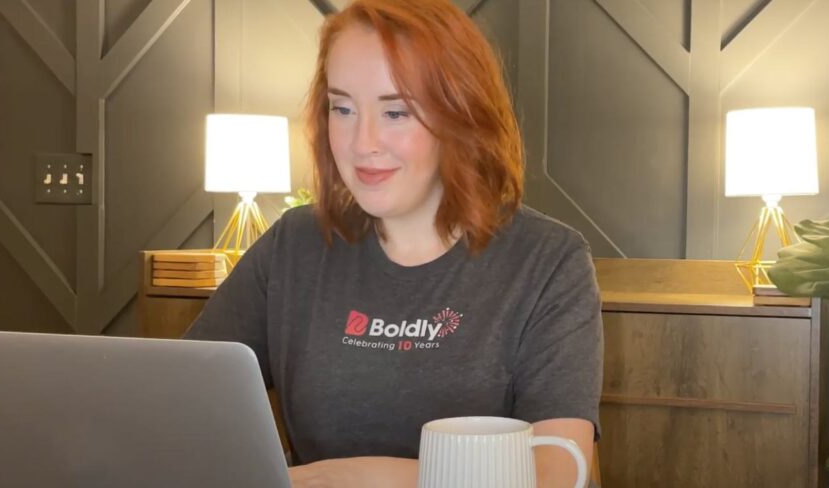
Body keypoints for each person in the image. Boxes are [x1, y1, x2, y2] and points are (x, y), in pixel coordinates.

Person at [181, 1, 604, 487]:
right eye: (342, 108)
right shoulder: (292, 247)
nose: (363, 143)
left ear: (460, 112)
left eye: (396, 111)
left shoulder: (550, 261)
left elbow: (558, 473)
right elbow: (181, 404)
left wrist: (335, 478)